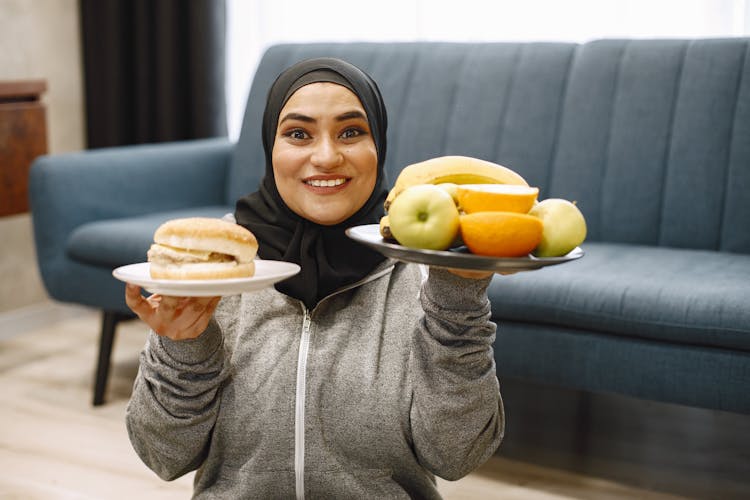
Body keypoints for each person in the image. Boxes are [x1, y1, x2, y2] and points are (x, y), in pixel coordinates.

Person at [124, 57, 504, 499]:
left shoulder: (427, 268)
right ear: (270, 145)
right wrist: (183, 352)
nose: (326, 157)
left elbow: (457, 455)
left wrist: (458, 303)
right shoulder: (215, 267)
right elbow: (162, 455)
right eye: (298, 133)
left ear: (377, 143)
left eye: (350, 132)